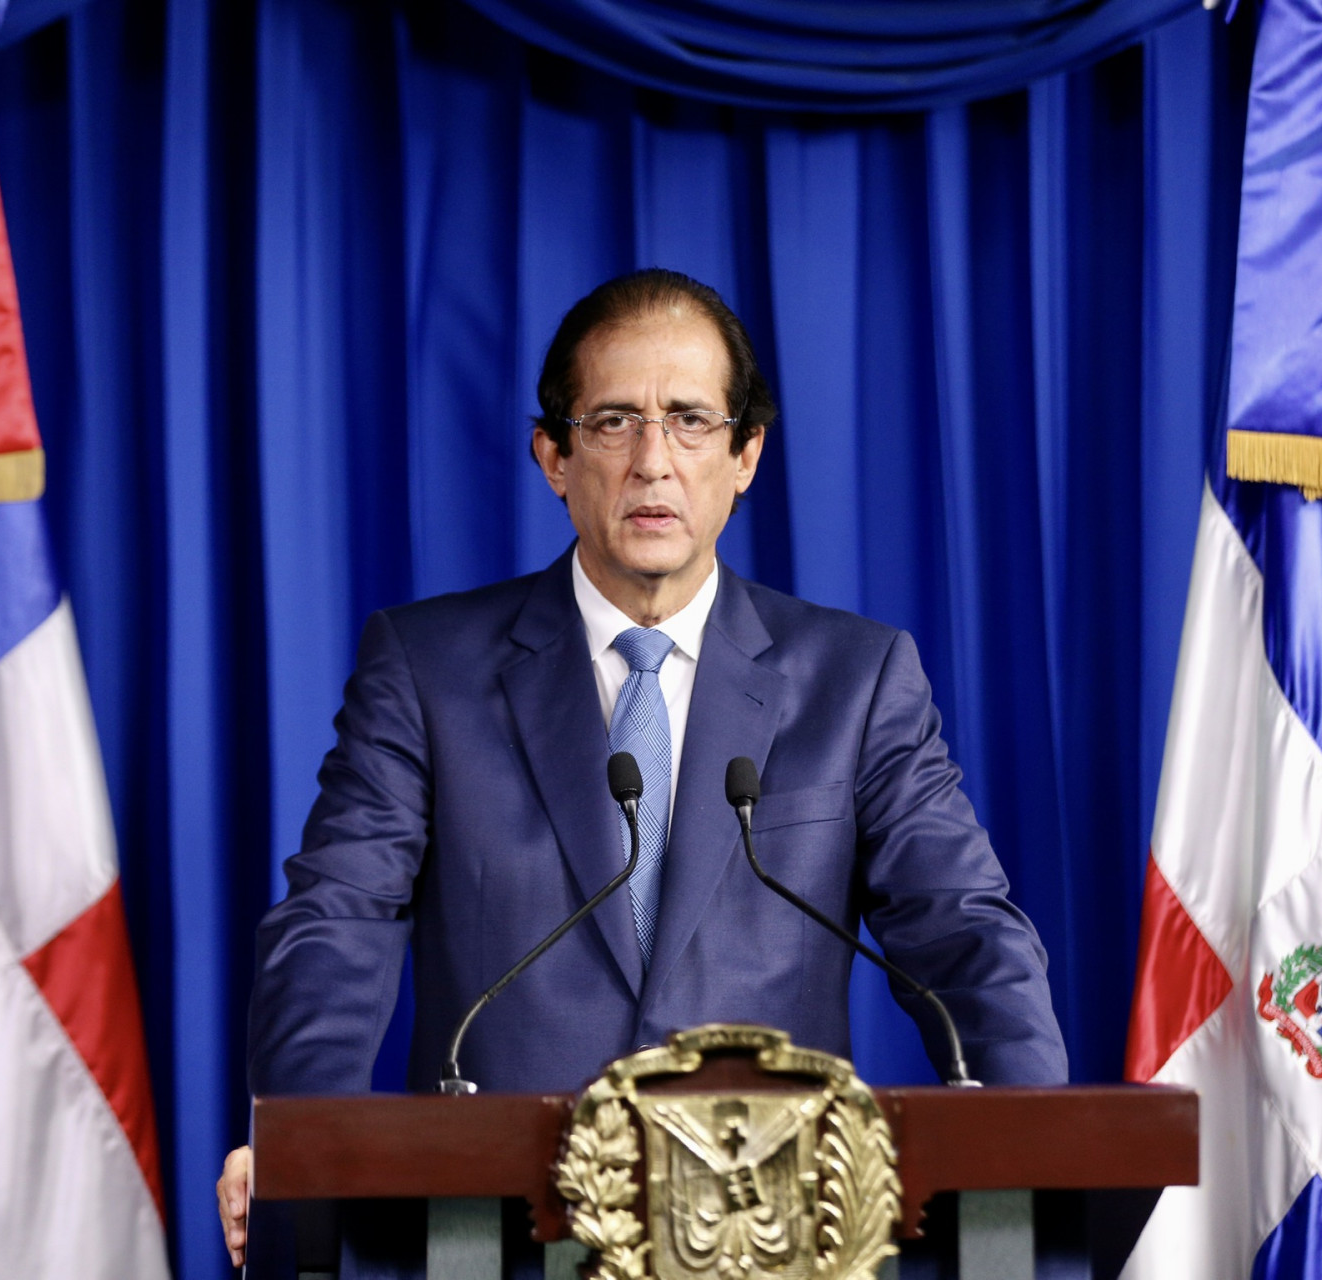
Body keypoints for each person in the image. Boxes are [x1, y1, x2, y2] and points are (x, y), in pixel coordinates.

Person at [217, 270, 1067, 1264]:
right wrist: (303, 1133)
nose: (652, 462)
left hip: (773, 1232)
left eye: (691, 421)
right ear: (554, 456)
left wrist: (1037, 1134)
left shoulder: (857, 679)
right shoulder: (426, 668)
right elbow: (338, 918)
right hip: (498, 1237)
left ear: (746, 455)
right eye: (614, 421)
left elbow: (962, 928)